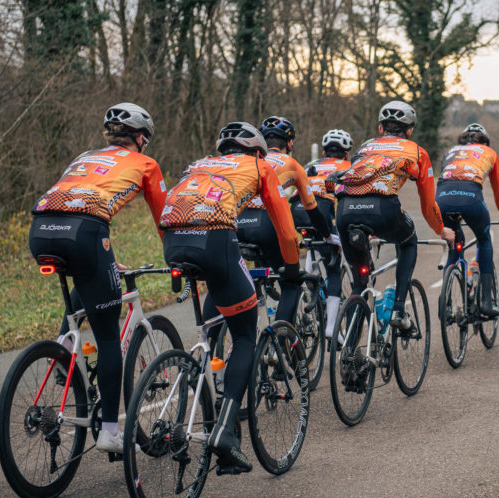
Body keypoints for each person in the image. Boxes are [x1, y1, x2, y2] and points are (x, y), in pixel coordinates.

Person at [159, 121, 300, 473]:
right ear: (257, 151)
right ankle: (224, 433)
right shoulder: (260, 166)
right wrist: (292, 268)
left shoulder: (197, 165)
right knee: (244, 335)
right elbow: (285, 228)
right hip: (216, 238)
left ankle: (201, 373)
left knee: (216, 313)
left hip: (174, 239)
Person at [29, 102, 167, 453]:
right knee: (108, 337)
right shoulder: (145, 163)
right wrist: (176, 256)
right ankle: (109, 431)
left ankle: (64, 347)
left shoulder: (84, 156)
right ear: (140, 137)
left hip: (42, 228)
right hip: (86, 233)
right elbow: (165, 219)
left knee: (86, 279)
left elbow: (75, 201)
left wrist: (108, 259)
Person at [333, 100, 454, 332]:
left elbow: (357, 182)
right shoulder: (417, 152)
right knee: (408, 242)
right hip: (383, 209)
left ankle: (350, 351)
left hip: (345, 211)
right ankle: (399, 309)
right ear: (409, 130)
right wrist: (440, 230)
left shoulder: (364, 147)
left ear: (380, 129)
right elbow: (428, 206)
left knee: (359, 282)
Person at [236, 116, 334, 325]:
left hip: (236, 224)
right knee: (291, 282)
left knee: (231, 279)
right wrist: (327, 235)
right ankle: (280, 341)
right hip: (266, 225)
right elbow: (313, 209)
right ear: (289, 143)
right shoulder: (292, 164)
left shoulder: (248, 162)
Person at [435, 123, 499, 318]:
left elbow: (450, 181)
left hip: (441, 200)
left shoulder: (451, 152)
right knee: (484, 238)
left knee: (455, 240)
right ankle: (486, 302)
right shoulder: (489, 152)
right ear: (485, 142)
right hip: (471, 198)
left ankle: (445, 300)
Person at [291, 129, 352, 338]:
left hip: (297, 213)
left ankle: (310, 285)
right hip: (324, 215)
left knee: (312, 244)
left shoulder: (310, 165)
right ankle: (331, 328)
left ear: (324, 152)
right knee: (333, 268)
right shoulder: (348, 166)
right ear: (346, 154)